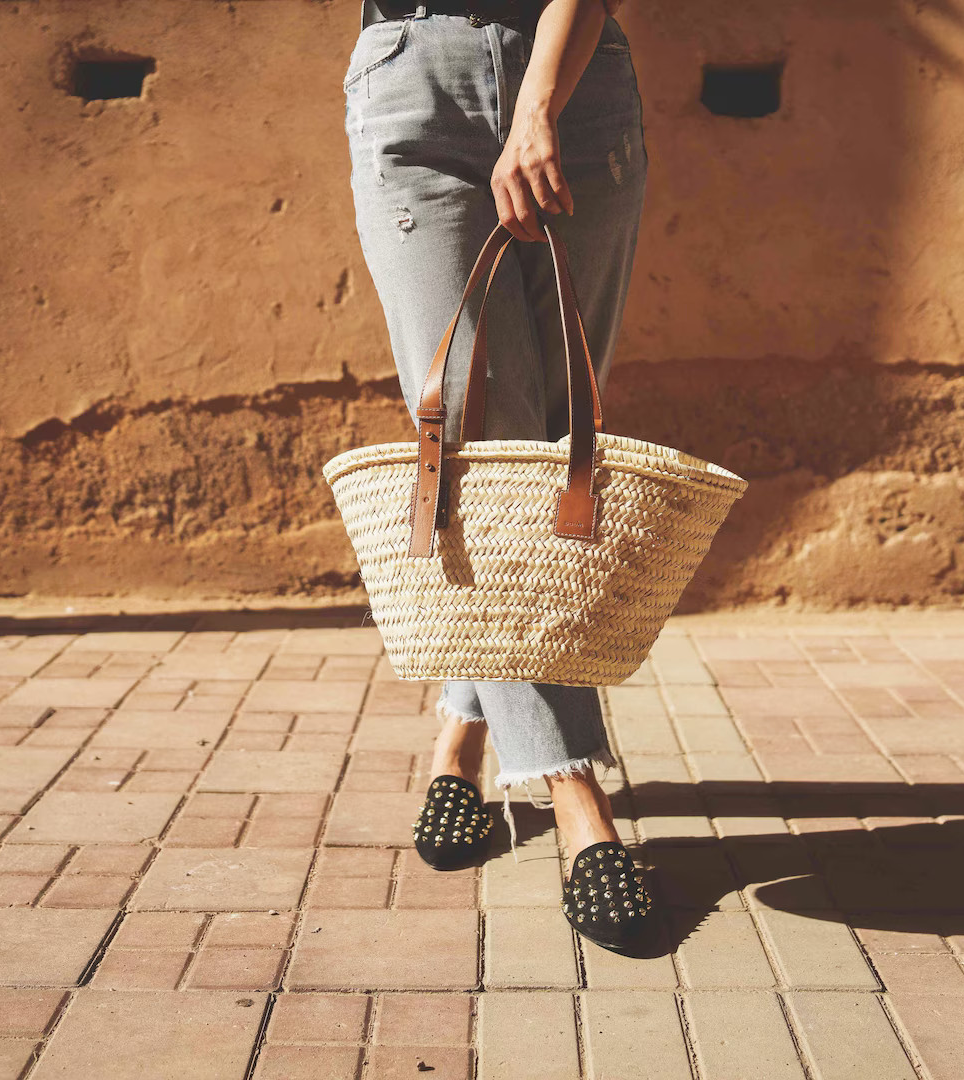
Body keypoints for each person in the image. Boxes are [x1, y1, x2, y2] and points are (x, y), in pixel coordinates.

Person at [341, 0, 652, 950]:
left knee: (554, 444)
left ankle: (463, 735)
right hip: (414, 79)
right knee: (478, 445)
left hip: (580, 76)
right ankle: (573, 791)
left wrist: (537, 106)